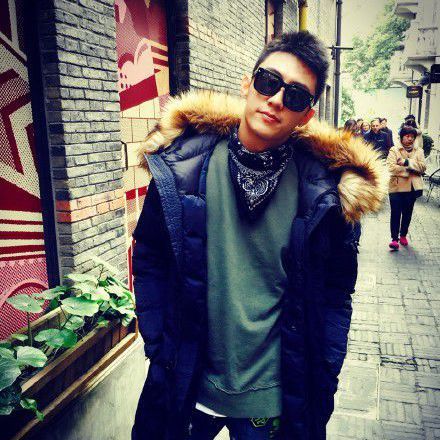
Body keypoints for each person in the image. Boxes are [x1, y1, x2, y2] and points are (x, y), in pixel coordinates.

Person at [131, 31, 387, 440]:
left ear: (307, 114)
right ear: (247, 84)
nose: (276, 100)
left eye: (295, 96)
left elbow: (336, 293)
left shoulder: (327, 194)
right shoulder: (181, 166)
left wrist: (324, 370)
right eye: (269, 82)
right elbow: (150, 255)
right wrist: (160, 344)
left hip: (273, 398)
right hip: (186, 380)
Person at [386, 125, 426, 250]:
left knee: (407, 213)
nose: (410, 139)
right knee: (395, 213)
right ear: (402, 137)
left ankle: (403, 235)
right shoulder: (394, 150)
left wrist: (406, 162)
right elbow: (390, 168)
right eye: (407, 136)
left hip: (412, 188)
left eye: (412, 136)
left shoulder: (419, 151)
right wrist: (410, 170)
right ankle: (394, 239)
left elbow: (423, 167)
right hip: (396, 187)